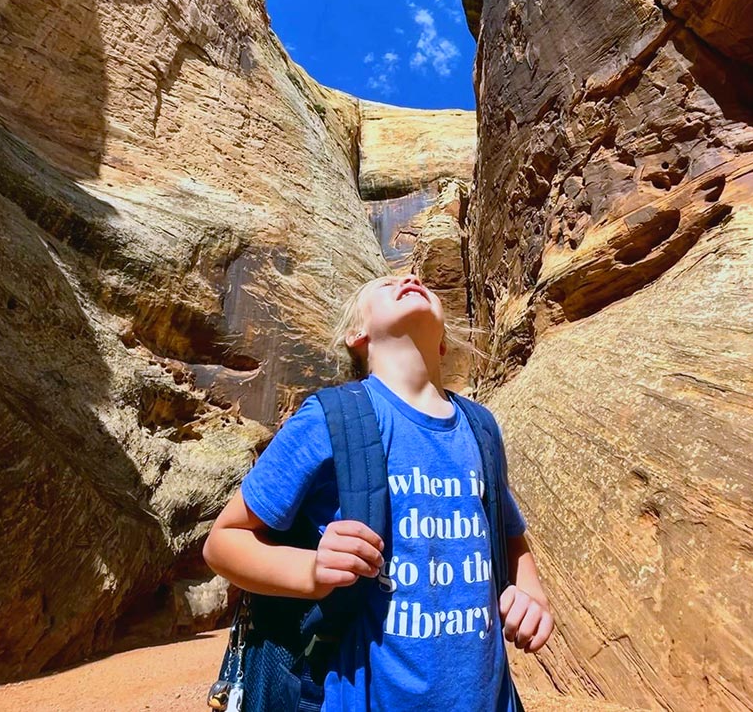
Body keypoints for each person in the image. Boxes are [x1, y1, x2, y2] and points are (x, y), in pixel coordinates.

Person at [202, 272, 555, 711]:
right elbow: (223, 542)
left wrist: (531, 595)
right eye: (387, 285)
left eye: (419, 281)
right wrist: (311, 570)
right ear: (357, 334)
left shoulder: (481, 427)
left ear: (443, 344)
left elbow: (510, 537)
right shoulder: (330, 419)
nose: (410, 277)